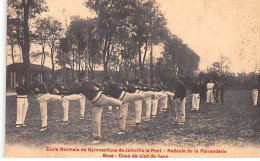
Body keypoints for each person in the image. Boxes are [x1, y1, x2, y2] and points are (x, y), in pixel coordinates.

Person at [63, 74, 122, 144]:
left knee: (120, 103)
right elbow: (69, 92)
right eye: (85, 77)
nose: (87, 78)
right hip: (95, 104)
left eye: (87, 76)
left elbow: (102, 87)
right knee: (96, 121)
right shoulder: (80, 88)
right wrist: (59, 93)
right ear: (81, 79)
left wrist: (98, 89)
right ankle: (96, 138)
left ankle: (123, 105)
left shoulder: (93, 82)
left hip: (102, 98)